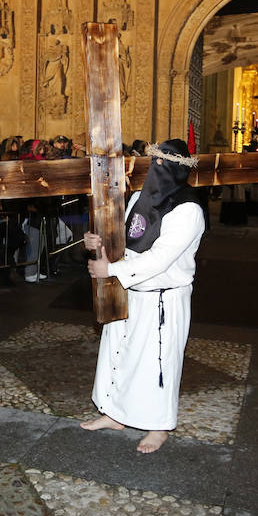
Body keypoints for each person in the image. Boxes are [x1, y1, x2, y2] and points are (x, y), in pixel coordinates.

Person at [80, 139, 205, 454]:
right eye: (154, 164)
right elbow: (122, 237)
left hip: (163, 296)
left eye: (162, 165)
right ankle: (114, 414)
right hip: (128, 289)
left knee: (156, 363)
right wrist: (96, 241)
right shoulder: (139, 197)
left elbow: (160, 259)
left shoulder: (188, 209)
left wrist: (111, 271)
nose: (155, 171)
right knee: (117, 353)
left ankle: (158, 426)